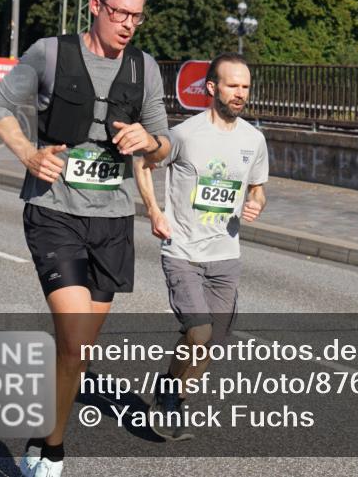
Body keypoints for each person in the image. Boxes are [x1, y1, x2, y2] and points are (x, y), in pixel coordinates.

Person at [0, 0, 171, 477]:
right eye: (118, 12)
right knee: (71, 338)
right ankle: (55, 454)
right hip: (53, 211)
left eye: (136, 15)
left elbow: (164, 142)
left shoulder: (144, 68)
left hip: (111, 220)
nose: (128, 24)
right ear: (94, 5)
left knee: (79, 351)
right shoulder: (50, 52)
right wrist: (27, 152)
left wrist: (148, 143)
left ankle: (48, 434)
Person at [133, 52, 267, 440]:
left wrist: (256, 202)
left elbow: (258, 188)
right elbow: (143, 162)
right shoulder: (184, 135)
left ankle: (170, 391)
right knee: (200, 334)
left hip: (226, 257)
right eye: (232, 85)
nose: (240, 93)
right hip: (184, 253)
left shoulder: (253, 140)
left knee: (208, 344)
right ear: (212, 88)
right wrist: (154, 211)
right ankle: (172, 398)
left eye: (245, 86)